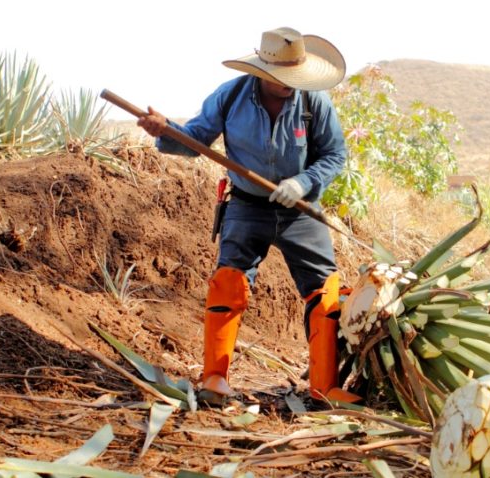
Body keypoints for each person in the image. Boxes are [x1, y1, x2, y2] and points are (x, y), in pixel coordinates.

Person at [137, 27, 360, 404]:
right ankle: (214, 380)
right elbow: (194, 140)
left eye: (295, 75)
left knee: (325, 292)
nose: (290, 83)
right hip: (246, 205)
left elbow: (335, 155)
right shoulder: (230, 97)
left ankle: (324, 388)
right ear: (262, 71)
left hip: (300, 211)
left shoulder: (314, 103)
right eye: (282, 76)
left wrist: (304, 182)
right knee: (229, 281)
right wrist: (166, 131)